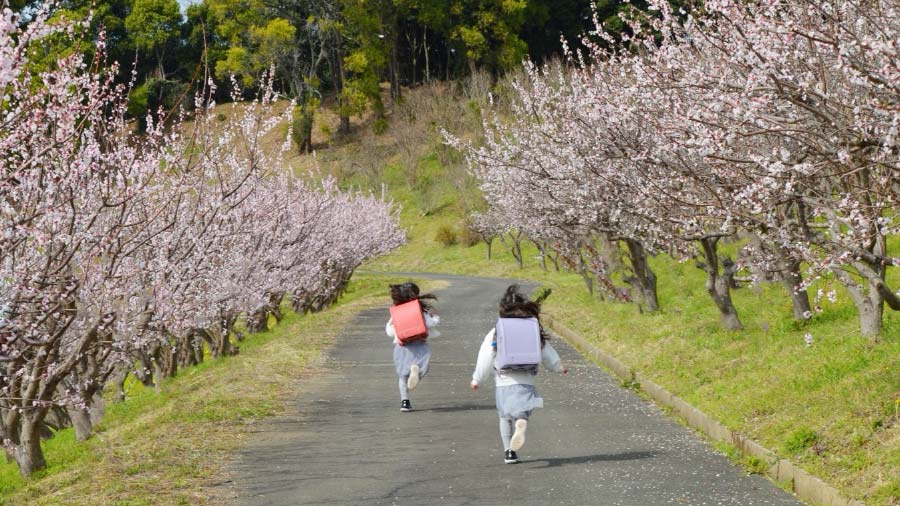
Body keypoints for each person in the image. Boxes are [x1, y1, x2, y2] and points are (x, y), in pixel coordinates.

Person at [470, 285, 567, 464]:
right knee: (522, 410)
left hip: (504, 379)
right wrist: (558, 367)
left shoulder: (496, 331)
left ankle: (509, 452)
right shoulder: (532, 329)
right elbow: (546, 352)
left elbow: (486, 356)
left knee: (504, 416)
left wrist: (477, 378)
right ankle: (522, 420)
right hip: (527, 378)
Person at [386, 282, 440, 412]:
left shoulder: (397, 312)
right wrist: (436, 318)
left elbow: (390, 331)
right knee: (422, 368)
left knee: (402, 375)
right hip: (420, 344)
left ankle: (405, 402)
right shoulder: (419, 310)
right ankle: (415, 372)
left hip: (402, 346)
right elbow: (430, 323)